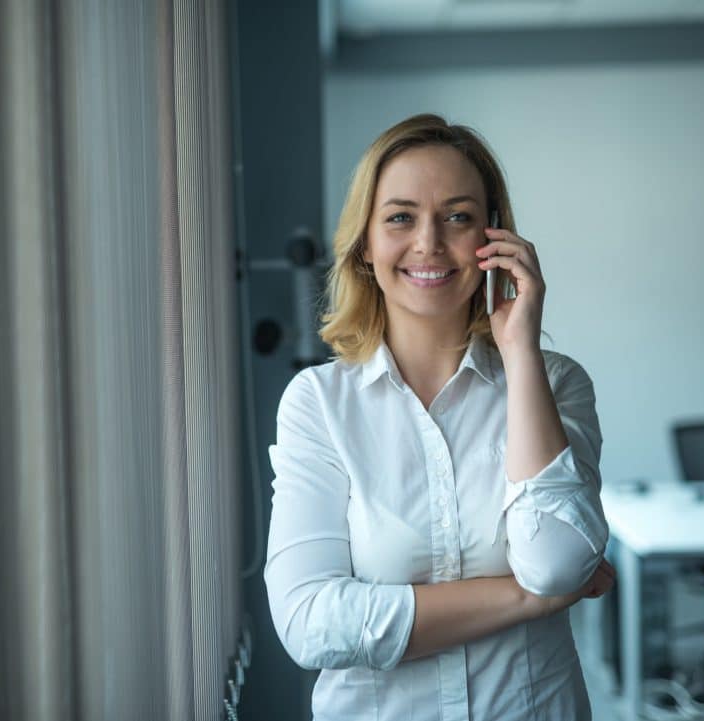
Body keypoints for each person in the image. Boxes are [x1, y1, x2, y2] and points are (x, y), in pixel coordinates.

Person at [263, 113, 617, 721]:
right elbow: (310, 623)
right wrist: (530, 600)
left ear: (494, 240)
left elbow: (557, 562)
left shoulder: (556, 383)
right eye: (400, 217)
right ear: (366, 247)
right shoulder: (318, 404)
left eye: (458, 217)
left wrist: (520, 352)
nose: (429, 242)